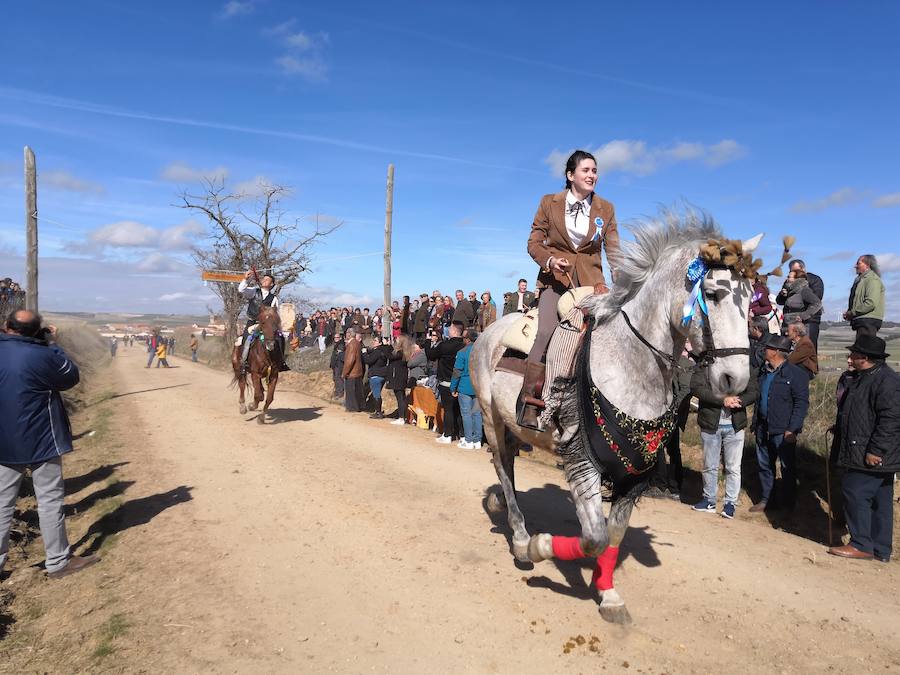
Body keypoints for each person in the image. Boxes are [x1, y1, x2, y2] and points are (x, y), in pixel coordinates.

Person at [518, 149, 620, 429]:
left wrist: (621, 282)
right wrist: (550, 261)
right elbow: (533, 243)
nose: (592, 176)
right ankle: (530, 401)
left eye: (595, 171)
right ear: (570, 175)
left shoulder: (606, 208)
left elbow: (613, 250)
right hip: (556, 280)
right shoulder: (548, 203)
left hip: (592, 283)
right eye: (586, 170)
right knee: (546, 332)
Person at [0, 310, 99, 579]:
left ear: (6, 326)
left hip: (4, 442)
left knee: (2, 504)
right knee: (50, 500)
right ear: (37, 331)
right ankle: (57, 561)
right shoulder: (44, 355)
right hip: (44, 440)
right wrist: (52, 344)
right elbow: (70, 377)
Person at [827, 336, 899, 562]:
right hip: (864, 447)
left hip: (870, 452)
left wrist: (876, 450)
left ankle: (861, 544)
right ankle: (880, 549)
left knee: (854, 491)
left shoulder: (886, 381)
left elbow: (891, 419)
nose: (850, 358)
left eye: (854, 355)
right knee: (881, 500)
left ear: (865, 358)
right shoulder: (866, 377)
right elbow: (863, 413)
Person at [691, 356, 759, 519]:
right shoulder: (707, 364)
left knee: (733, 467)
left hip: (735, 425)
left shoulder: (743, 365)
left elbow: (754, 390)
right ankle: (709, 500)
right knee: (709, 464)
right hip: (711, 423)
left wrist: (741, 401)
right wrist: (723, 400)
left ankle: (730, 503)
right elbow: (697, 387)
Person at [751, 334, 810, 513]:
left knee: (787, 468)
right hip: (763, 427)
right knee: (764, 466)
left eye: (768, 348)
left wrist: (792, 429)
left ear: (776, 352)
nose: (764, 350)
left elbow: (801, 404)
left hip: (782, 430)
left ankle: (788, 504)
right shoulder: (763, 372)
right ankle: (767, 500)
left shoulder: (797, 375)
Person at [425, 321, 465, 444]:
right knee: (459, 410)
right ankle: (462, 435)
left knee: (448, 409)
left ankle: (447, 434)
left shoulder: (445, 345)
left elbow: (431, 355)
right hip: (461, 382)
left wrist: (428, 341)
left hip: (446, 381)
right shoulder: (465, 346)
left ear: (453, 331)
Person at [238, 270, 285, 372]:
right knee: (246, 340)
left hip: (267, 325)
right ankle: (244, 363)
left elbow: (275, 314)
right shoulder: (254, 291)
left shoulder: (274, 299)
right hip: (252, 323)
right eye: (264, 278)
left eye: (267, 279)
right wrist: (246, 280)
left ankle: (281, 362)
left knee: (280, 339)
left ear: (271, 284)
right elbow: (241, 290)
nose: (264, 280)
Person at [451, 329, 482, 449]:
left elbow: (457, 372)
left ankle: (468, 441)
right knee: (477, 414)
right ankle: (477, 441)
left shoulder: (462, 352)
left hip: (465, 386)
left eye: (464, 338)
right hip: (478, 386)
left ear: (467, 339)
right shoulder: (481, 352)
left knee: (466, 414)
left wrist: (453, 387)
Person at [843, 254, 885, 338]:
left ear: (867, 265)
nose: (855, 266)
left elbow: (871, 303)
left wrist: (852, 313)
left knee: (865, 348)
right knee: (861, 348)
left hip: (868, 321)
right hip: (862, 320)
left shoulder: (872, 279)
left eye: (858, 263)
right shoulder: (860, 280)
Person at [786, 260, 824, 348]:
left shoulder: (815, 280)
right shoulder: (789, 282)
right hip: (792, 321)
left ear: (803, 268)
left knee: (808, 349)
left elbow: (816, 300)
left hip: (810, 320)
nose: (793, 273)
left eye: (796, 270)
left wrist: (803, 314)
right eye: (791, 271)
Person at [387, 335, 414, 426]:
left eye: (397, 340)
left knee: (400, 397)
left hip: (398, 377)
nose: (396, 340)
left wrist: (388, 345)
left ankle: (401, 417)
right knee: (401, 396)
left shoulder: (400, 353)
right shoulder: (404, 352)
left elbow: (389, 356)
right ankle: (402, 416)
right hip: (401, 376)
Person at [363, 336, 391, 419]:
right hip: (382, 374)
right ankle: (377, 411)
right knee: (377, 394)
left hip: (376, 374)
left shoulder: (377, 352)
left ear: (379, 343)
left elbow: (368, 360)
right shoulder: (383, 351)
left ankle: (378, 412)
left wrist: (364, 353)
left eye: (375, 341)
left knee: (376, 394)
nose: (373, 342)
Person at [342, 329, 364, 412]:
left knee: (351, 392)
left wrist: (345, 372)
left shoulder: (351, 344)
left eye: (347, 332)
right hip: (357, 371)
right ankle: (358, 407)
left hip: (352, 372)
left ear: (350, 334)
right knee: (357, 391)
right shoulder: (357, 343)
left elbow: (350, 360)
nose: (346, 334)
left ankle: (352, 408)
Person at [329, 332, 345, 399]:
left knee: (338, 378)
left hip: (338, 364)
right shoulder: (336, 344)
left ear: (340, 338)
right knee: (335, 378)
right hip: (335, 364)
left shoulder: (341, 344)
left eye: (337, 337)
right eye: (335, 337)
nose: (336, 339)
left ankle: (340, 393)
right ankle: (337, 392)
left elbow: (339, 355)